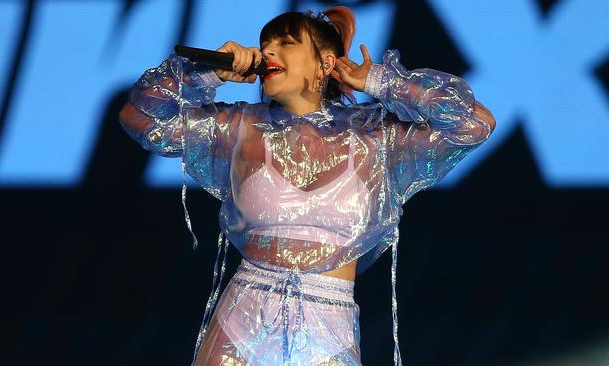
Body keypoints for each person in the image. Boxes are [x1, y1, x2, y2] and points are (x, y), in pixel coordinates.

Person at [119, 6, 495, 366]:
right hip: (244, 316)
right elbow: (138, 116)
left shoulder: (375, 139)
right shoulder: (239, 127)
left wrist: (382, 81)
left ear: (325, 63)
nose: (268, 50)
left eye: (286, 42)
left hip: (329, 324)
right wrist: (207, 75)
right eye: (266, 43)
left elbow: (474, 124)